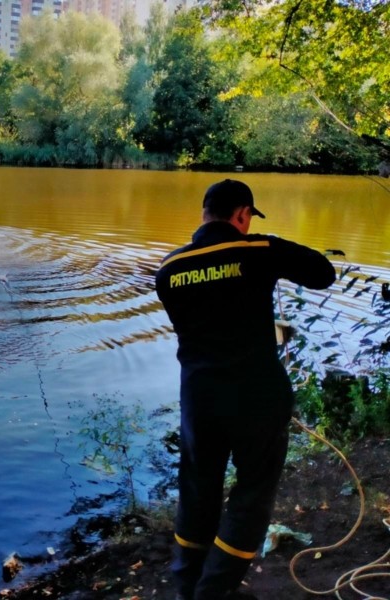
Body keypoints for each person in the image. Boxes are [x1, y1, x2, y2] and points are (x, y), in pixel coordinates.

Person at [154, 179, 336, 600]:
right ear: (242, 215)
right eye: (248, 217)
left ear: (204, 215)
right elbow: (323, 273)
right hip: (256, 397)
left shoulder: (168, 270)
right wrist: (264, 246)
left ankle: (187, 584)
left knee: (198, 489)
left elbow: (206, 316)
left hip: (199, 400)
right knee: (252, 492)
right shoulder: (258, 251)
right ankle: (213, 592)